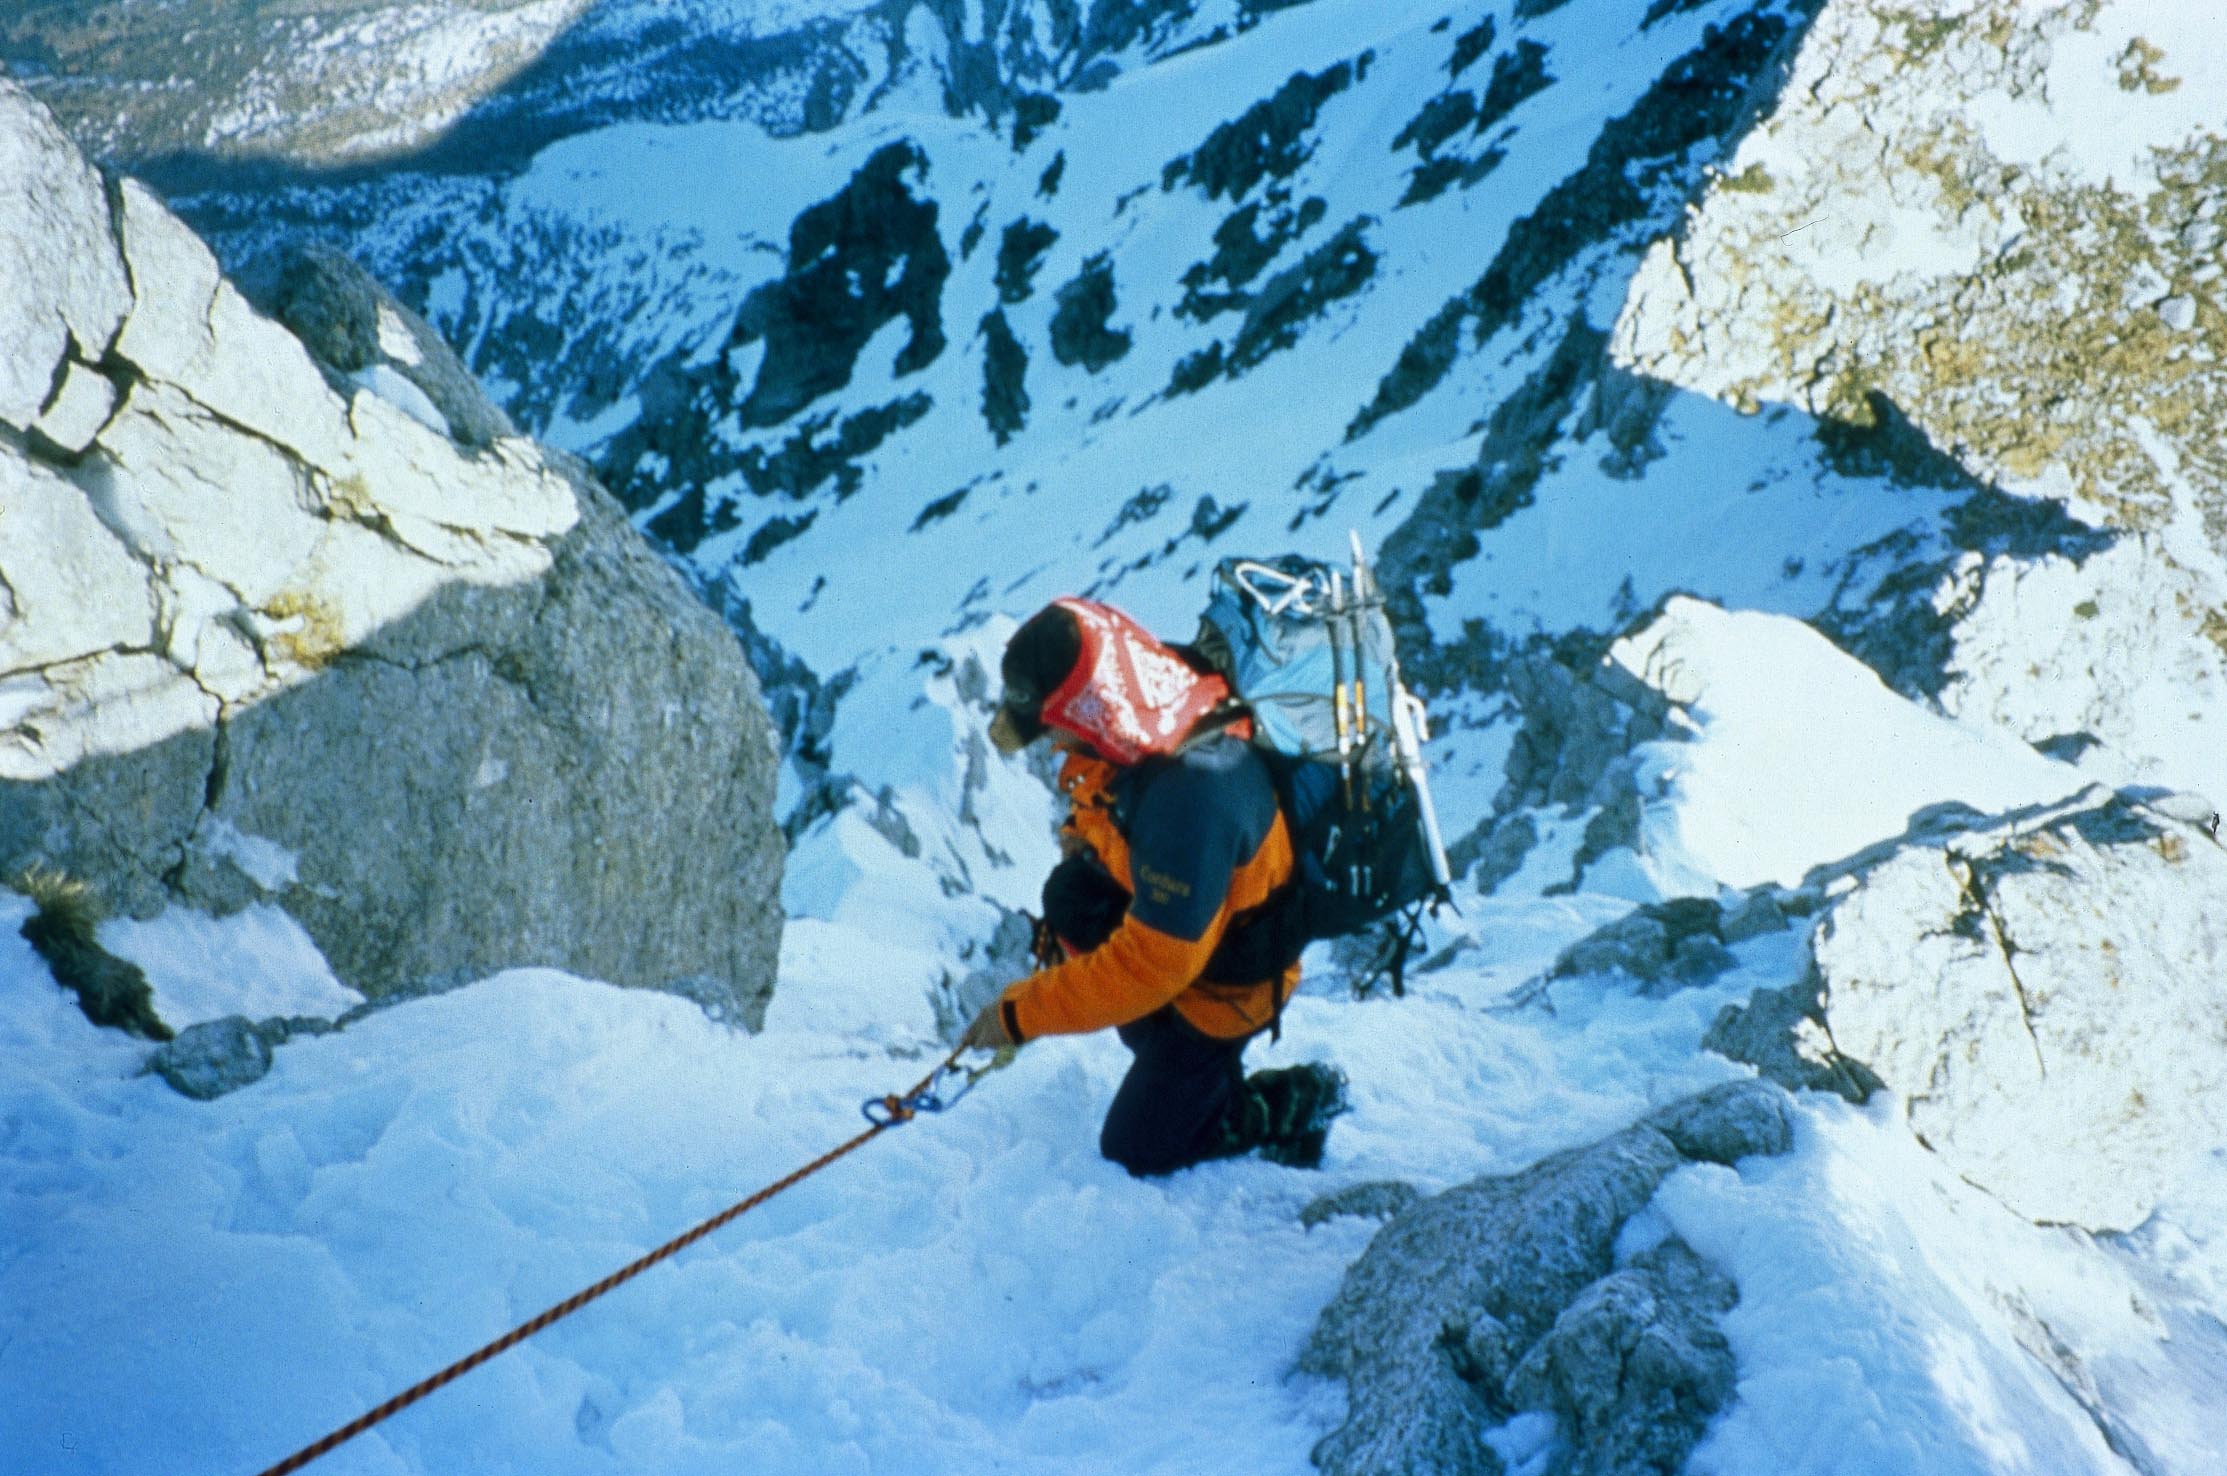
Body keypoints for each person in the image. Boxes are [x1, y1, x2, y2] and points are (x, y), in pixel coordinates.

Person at [961, 596, 1349, 1175]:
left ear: (1087, 714)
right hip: (1193, 917)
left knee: (1139, 1147)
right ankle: (1176, 1062)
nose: (1056, 744)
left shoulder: (1193, 795)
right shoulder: (1144, 693)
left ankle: (1294, 1099)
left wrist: (1020, 1014)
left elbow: (1150, 965)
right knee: (1070, 896)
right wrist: (1085, 837)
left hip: (1230, 980)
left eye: (1056, 729)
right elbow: (1106, 786)